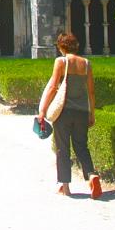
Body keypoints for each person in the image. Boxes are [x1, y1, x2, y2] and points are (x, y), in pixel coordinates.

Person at [37, 33, 102, 199]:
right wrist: (92, 113)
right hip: (82, 112)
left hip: (64, 112)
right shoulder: (86, 64)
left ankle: (65, 187)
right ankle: (92, 175)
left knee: (62, 148)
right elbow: (92, 91)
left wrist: (42, 110)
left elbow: (52, 86)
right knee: (81, 145)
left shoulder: (62, 61)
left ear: (61, 47)